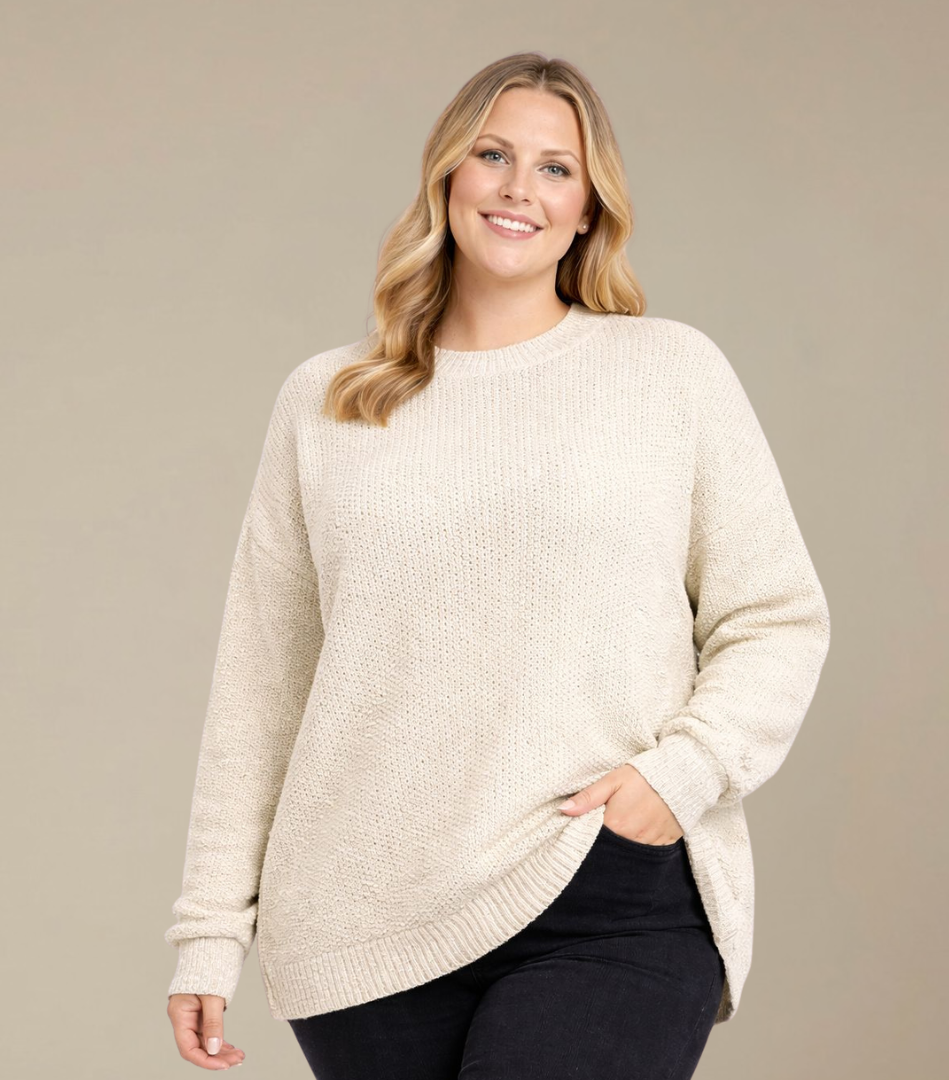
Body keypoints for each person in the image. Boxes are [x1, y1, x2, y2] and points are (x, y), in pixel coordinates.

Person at [164, 51, 831, 1079]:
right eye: (493, 155)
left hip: (603, 885)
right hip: (362, 923)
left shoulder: (668, 375)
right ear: (447, 177)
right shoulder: (330, 399)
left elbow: (774, 616)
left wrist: (682, 775)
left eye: (556, 169)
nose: (521, 187)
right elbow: (264, 680)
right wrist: (211, 926)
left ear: (588, 209)